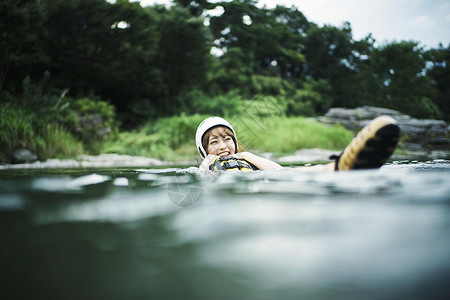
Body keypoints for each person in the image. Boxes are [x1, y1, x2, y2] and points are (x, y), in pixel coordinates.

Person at [196, 116, 400, 172]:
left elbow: (279, 171)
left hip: (266, 182)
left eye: (227, 138)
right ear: (204, 150)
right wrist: (207, 163)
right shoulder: (208, 166)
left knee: (305, 171)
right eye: (214, 142)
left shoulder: (247, 160)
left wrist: (246, 156)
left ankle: (341, 165)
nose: (223, 145)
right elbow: (202, 177)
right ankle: (342, 165)